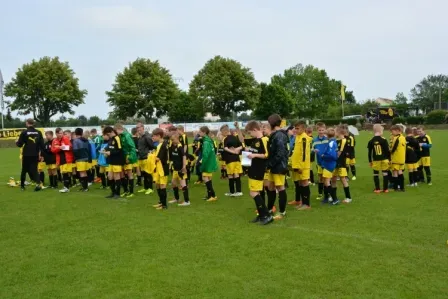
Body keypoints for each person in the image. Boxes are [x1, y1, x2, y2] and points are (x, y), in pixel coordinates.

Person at [243, 121, 274, 225]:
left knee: (253, 192)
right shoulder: (256, 140)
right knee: (257, 192)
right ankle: (261, 215)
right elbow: (255, 151)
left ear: (255, 130)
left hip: (258, 169)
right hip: (253, 168)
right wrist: (249, 151)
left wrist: (254, 156)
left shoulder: (264, 140)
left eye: (250, 132)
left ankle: (266, 215)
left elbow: (266, 154)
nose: (250, 135)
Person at [265, 114, 289, 220]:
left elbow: (280, 153)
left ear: (272, 123)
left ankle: (282, 212)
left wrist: (270, 164)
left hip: (279, 166)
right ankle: (269, 209)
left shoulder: (279, 135)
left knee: (280, 188)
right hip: (274, 166)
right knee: (270, 187)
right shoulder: (276, 134)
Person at [15, 118, 44, 191]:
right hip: (35, 154)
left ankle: (22, 186)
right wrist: (41, 154)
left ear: (27, 123)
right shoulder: (39, 132)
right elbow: (42, 145)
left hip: (26, 154)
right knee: (34, 170)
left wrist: (16, 142)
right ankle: (38, 184)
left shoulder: (24, 132)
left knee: (24, 170)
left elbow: (20, 144)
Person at [289, 120, 312, 210]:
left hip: (303, 166)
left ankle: (307, 204)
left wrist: (301, 167)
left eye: (297, 128)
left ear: (303, 128)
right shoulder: (298, 137)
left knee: (305, 183)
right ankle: (302, 202)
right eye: (295, 128)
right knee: (301, 183)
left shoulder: (304, 138)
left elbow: (304, 154)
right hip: (297, 165)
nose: (295, 130)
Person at [115, 124, 138, 198]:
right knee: (122, 174)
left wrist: (130, 157)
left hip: (127, 157)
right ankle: (126, 190)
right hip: (122, 158)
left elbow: (132, 147)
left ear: (119, 129)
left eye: (116, 131)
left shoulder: (127, 136)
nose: (115, 132)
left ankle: (131, 192)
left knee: (129, 174)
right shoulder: (120, 136)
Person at [221, 124, 243, 197]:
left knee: (230, 175)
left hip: (230, 159)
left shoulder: (225, 139)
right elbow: (241, 146)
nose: (221, 134)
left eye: (222, 132)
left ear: (225, 131)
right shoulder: (235, 137)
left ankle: (232, 192)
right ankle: (239, 191)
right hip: (237, 159)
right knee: (236, 174)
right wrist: (237, 150)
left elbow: (225, 148)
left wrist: (233, 151)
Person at [168, 133, 190, 206]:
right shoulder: (173, 146)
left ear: (177, 139)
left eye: (173, 140)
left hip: (181, 169)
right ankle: (176, 198)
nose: (172, 141)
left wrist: (184, 166)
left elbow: (184, 156)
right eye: (171, 140)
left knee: (183, 184)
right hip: (175, 169)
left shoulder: (180, 147)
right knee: (173, 183)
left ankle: (187, 201)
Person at [331, 126, 352, 204]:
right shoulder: (336, 140)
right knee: (333, 179)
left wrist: (331, 156)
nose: (334, 133)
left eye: (335, 131)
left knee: (343, 179)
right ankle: (333, 196)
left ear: (339, 132)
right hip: (335, 163)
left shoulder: (343, 141)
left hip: (341, 163)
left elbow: (339, 153)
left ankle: (348, 197)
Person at [103, 126, 125, 199]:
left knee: (116, 176)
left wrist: (110, 153)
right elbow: (109, 147)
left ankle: (117, 194)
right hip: (111, 161)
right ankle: (113, 192)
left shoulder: (117, 138)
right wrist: (105, 151)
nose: (108, 136)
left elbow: (119, 150)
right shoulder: (111, 139)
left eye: (108, 134)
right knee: (109, 177)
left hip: (117, 160)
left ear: (112, 132)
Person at [367, 124, 390, 193]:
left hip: (376, 160)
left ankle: (377, 189)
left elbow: (369, 152)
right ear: (380, 131)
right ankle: (385, 189)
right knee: (385, 173)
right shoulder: (384, 140)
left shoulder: (371, 141)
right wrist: (390, 159)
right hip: (384, 159)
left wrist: (370, 161)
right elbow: (387, 151)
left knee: (376, 174)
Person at [318, 128, 338, 203]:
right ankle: (326, 198)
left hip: (329, 164)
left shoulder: (331, 143)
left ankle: (334, 199)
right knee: (325, 182)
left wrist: (323, 156)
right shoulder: (332, 142)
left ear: (326, 135)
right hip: (328, 164)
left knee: (327, 182)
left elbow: (333, 156)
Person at [51, 128, 74, 193]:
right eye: (60, 133)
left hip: (67, 158)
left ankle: (66, 187)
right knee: (64, 173)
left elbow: (70, 147)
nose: (61, 134)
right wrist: (60, 148)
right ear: (56, 133)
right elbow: (53, 150)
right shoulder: (54, 140)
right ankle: (67, 186)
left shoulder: (65, 138)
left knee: (65, 172)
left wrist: (64, 147)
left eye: (62, 133)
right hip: (60, 158)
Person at [151, 128, 170, 210]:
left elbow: (159, 158)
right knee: (157, 185)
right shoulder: (158, 144)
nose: (153, 137)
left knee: (162, 186)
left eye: (154, 136)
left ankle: (164, 205)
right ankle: (161, 202)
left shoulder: (164, 144)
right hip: (158, 168)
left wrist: (150, 156)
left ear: (159, 136)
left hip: (163, 168)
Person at [199, 126, 218, 202]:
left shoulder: (206, 142)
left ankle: (212, 195)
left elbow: (205, 154)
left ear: (204, 132)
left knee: (205, 178)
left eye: (200, 132)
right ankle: (211, 195)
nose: (199, 133)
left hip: (207, 163)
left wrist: (202, 163)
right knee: (208, 178)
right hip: (211, 162)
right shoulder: (208, 140)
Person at [136, 124, 155, 195]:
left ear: (143, 129)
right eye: (138, 130)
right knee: (143, 174)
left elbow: (152, 146)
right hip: (141, 158)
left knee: (148, 174)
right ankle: (145, 187)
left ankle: (150, 188)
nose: (139, 131)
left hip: (146, 158)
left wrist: (148, 153)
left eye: (140, 129)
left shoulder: (147, 137)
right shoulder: (140, 138)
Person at [313, 122, 329, 200]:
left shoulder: (327, 139)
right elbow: (311, 149)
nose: (321, 131)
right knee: (320, 178)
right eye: (319, 130)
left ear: (325, 130)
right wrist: (314, 150)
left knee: (326, 178)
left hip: (326, 162)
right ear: (317, 130)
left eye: (322, 130)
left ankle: (327, 193)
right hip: (319, 162)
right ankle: (320, 193)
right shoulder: (314, 140)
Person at [389, 125, 406, 191]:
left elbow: (394, 148)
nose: (391, 133)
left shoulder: (397, 138)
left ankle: (395, 187)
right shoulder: (403, 137)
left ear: (397, 131)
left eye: (392, 131)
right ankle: (402, 187)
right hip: (401, 158)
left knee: (395, 172)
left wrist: (390, 152)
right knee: (400, 172)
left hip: (396, 158)